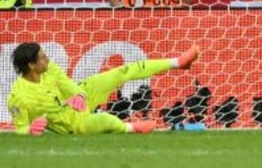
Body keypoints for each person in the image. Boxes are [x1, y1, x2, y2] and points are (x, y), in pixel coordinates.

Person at [7, 41, 200, 135]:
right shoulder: (19, 96)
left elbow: (71, 88)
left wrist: (80, 96)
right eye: (42, 57)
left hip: (79, 102)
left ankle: (178, 62)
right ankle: (131, 128)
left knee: (120, 72)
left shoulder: (50, 69)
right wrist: (30, 130)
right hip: (73, 125)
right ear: (31, 65)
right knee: (104, 120)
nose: (47, 59)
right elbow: (20, 128)